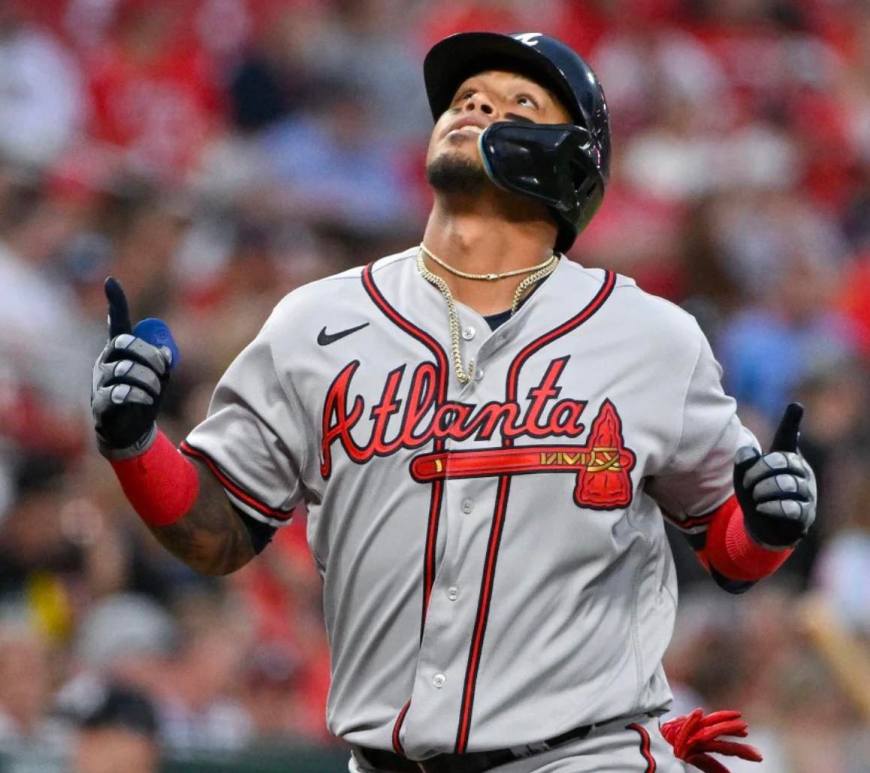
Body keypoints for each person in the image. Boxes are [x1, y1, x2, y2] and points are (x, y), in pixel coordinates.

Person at [91, 31, 817, 773]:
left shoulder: (651, 337)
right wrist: (136, 444)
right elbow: (220, 532)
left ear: (573, 160)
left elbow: (729, 545)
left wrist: (769, 523)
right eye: (467, 97)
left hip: (582, 756)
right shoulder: (316, 322)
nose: (475, 107)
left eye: (517, 103)